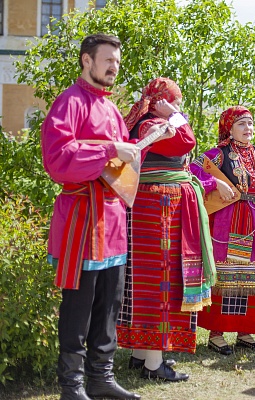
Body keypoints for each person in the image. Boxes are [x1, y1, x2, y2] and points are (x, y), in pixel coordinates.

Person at [41, 34, 140, 400]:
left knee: (108, 305)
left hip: (112, 221)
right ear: (87, 61)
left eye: (117, 61)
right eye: (107, 60)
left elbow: (118, 166)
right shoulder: (70, 102)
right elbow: (57, 158)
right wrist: (111, 149)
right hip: (82, 222)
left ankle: (101, 377)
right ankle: (72, 385)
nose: (114, 67)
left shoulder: (112, 109)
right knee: (78, 307)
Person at [116, 77, 215, 381]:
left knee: (146, 277)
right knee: (159, 278)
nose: (178, 106)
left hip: (155, 203)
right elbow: (186, 141)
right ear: (160, 101)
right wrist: (172, 114)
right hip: (158, 206)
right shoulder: (151, 125)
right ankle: (153, 364)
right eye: (173, 100)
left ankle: (141, 354)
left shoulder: (144, 123)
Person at [190, 106, 255, 355]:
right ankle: (216, 333)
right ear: (229, 129)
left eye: (250, 123)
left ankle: (246, 331)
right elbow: (191, 175)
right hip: (227, 221)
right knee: (227, 275)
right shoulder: (217, 155)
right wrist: (215, 183)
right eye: (242, 124)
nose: (248, 129)